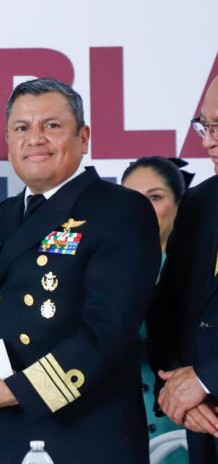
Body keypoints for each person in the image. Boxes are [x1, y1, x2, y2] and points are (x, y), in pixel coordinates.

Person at [0, 78, 161, 463]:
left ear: (84, 137)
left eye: (52, 125)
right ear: (8, 141)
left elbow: (107, 332)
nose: (34, 139)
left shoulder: (120, 209)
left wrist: (18, 391)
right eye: (21, 128)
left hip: (87, 430)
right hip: (10, 428)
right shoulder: (5, 215)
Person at [148, 76, 218, 463]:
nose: (207, 142)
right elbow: (167, 310)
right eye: (204, 126)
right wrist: (177, 383)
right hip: (203, 430)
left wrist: (206, 378)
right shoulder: (198, 203)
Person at [122, 156, 193, 463]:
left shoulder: (200, 276)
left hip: (189, 428)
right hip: (120, 437)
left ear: (179, 204)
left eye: (155, 197)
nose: (142, 209)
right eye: (132, 199)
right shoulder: (101, 275)